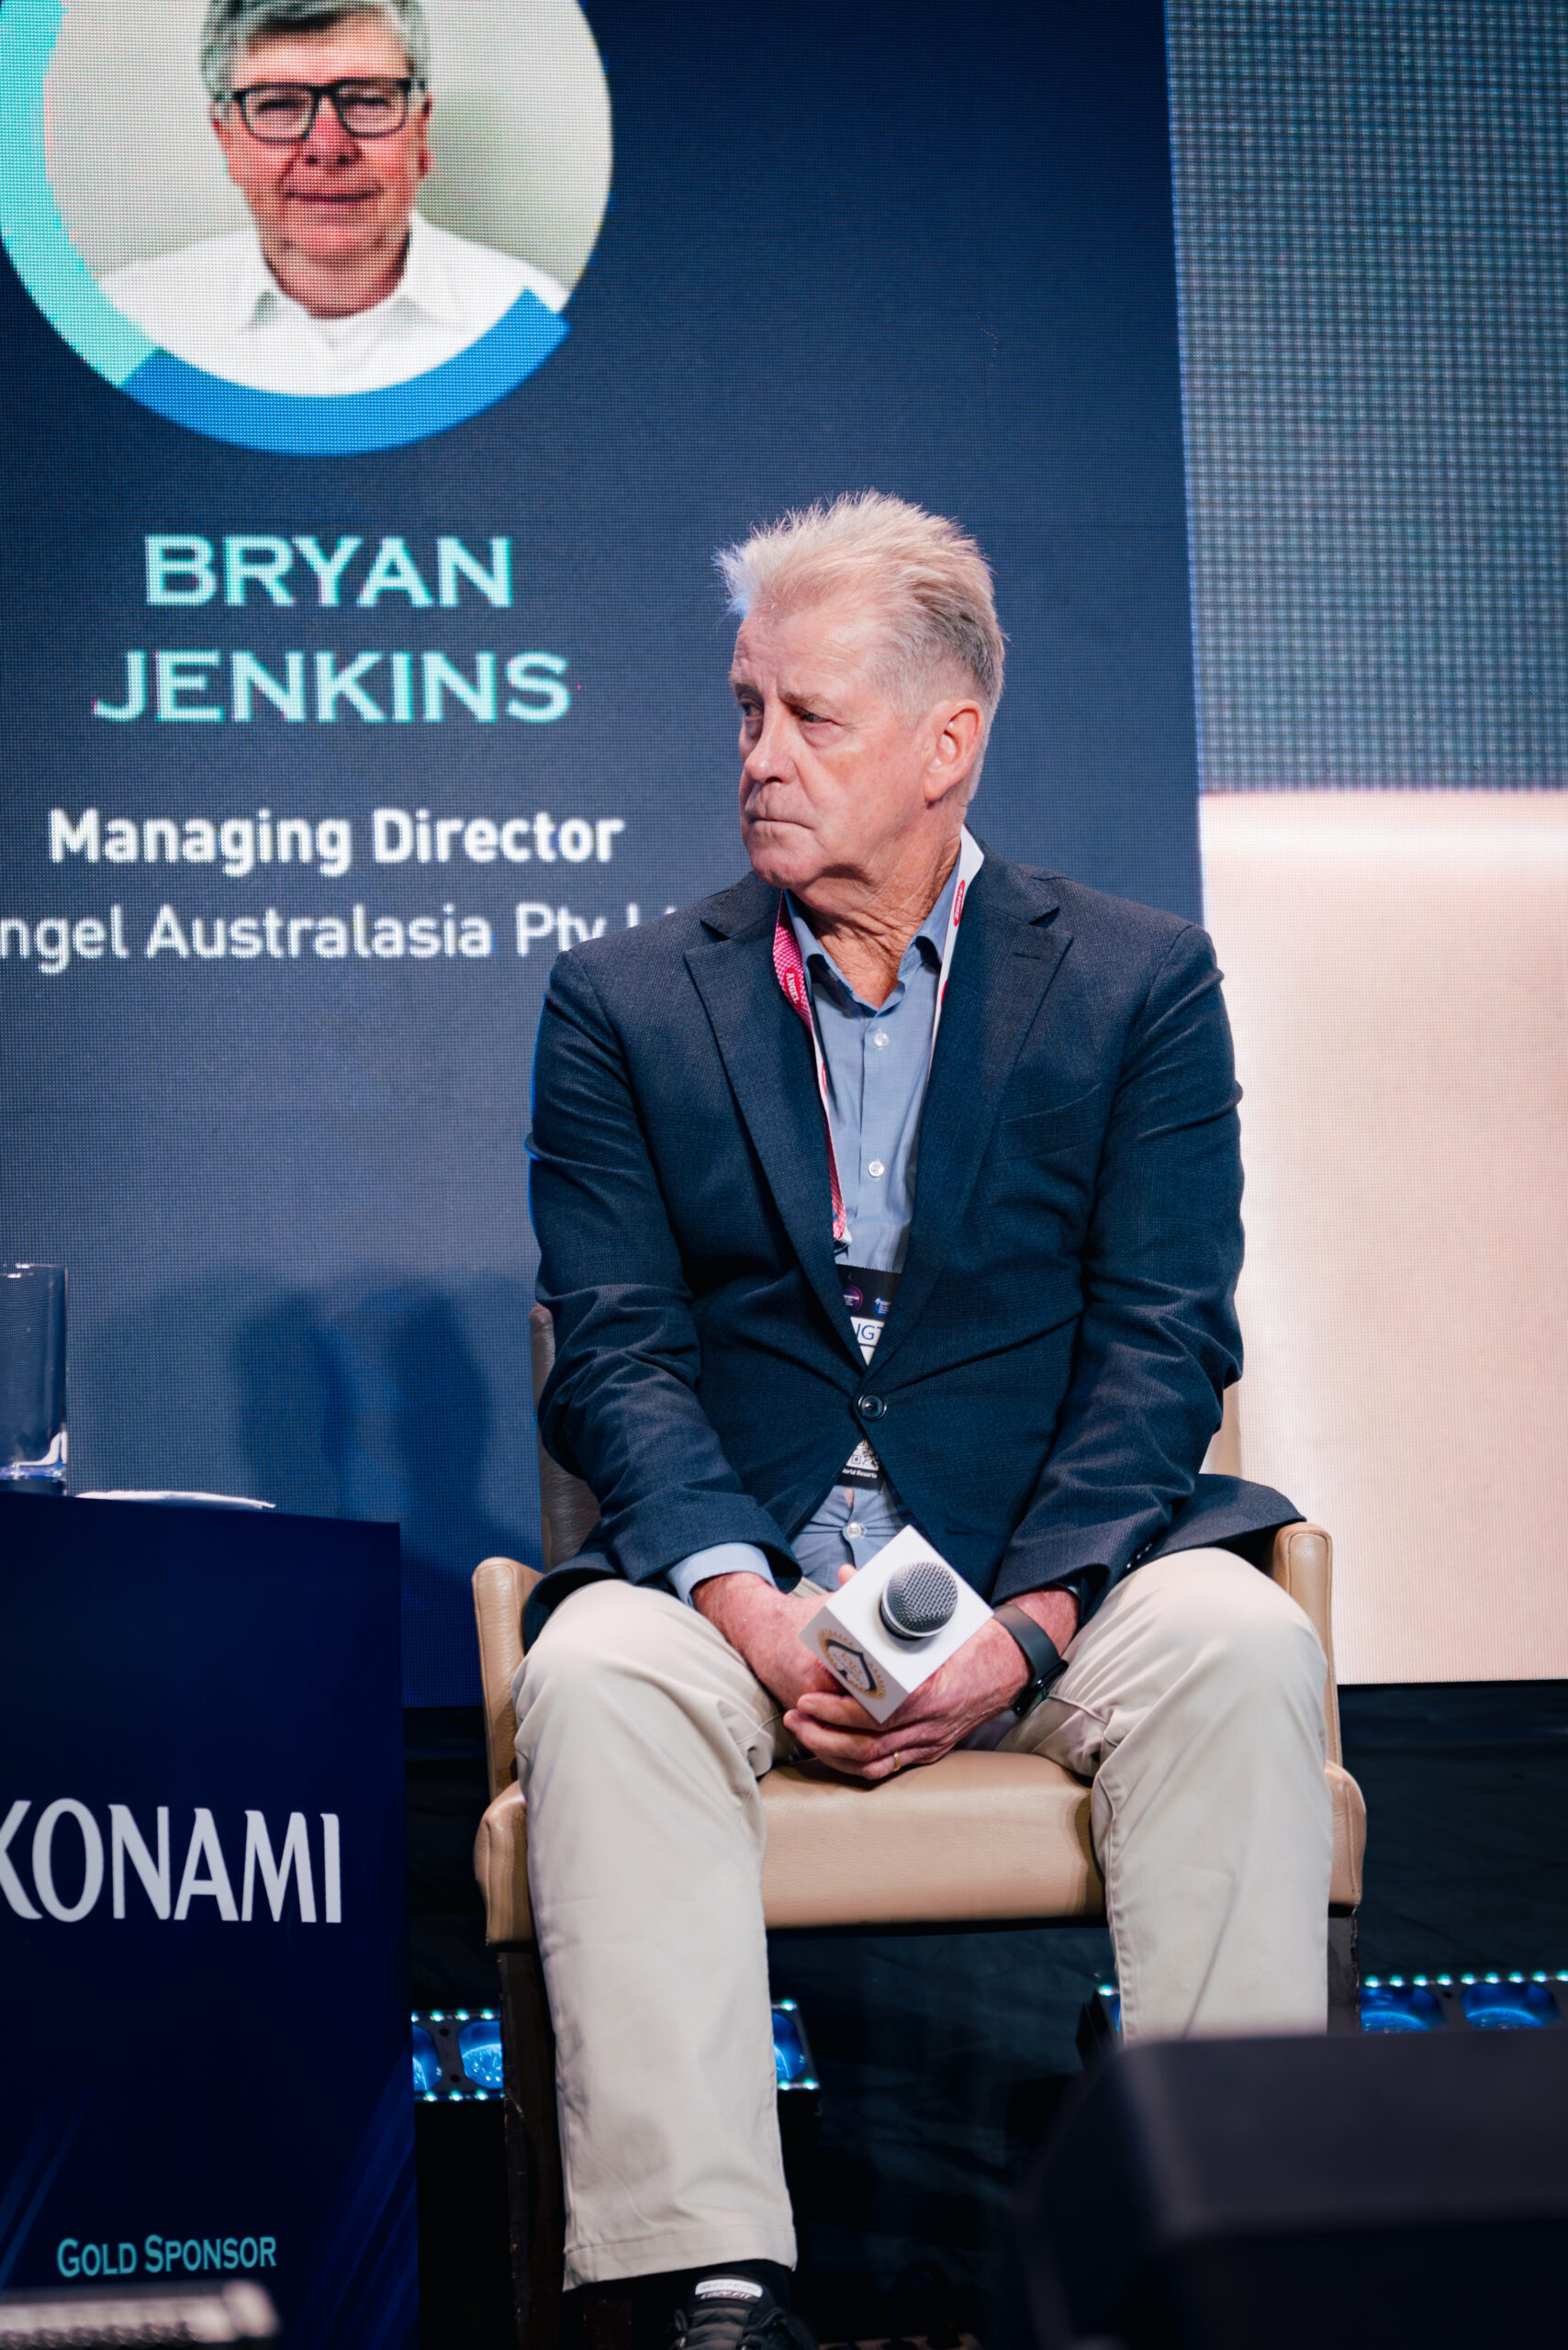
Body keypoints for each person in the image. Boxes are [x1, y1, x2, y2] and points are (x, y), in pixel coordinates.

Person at [518, 492, 1333, 2349]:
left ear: (944, 743)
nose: (758, 755)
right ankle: (705, 2281)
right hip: (753, 1572)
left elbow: (1159, 1340)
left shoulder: (1132, 981)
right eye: (745, 710)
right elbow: (618, 1356)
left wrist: (1024, 1626)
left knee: (1236, 1647)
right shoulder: (621, 1002)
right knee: (597, 1674)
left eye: (808, 716)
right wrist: (747, 1608)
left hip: (1044, 1571)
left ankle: (1232, 2247)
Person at [98, 0, 566, 395]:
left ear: (421, 133)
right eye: (279, 105)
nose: (327, 148)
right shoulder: (124, 327)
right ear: (229, 145)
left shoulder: (535, 327)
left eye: (367, 101)